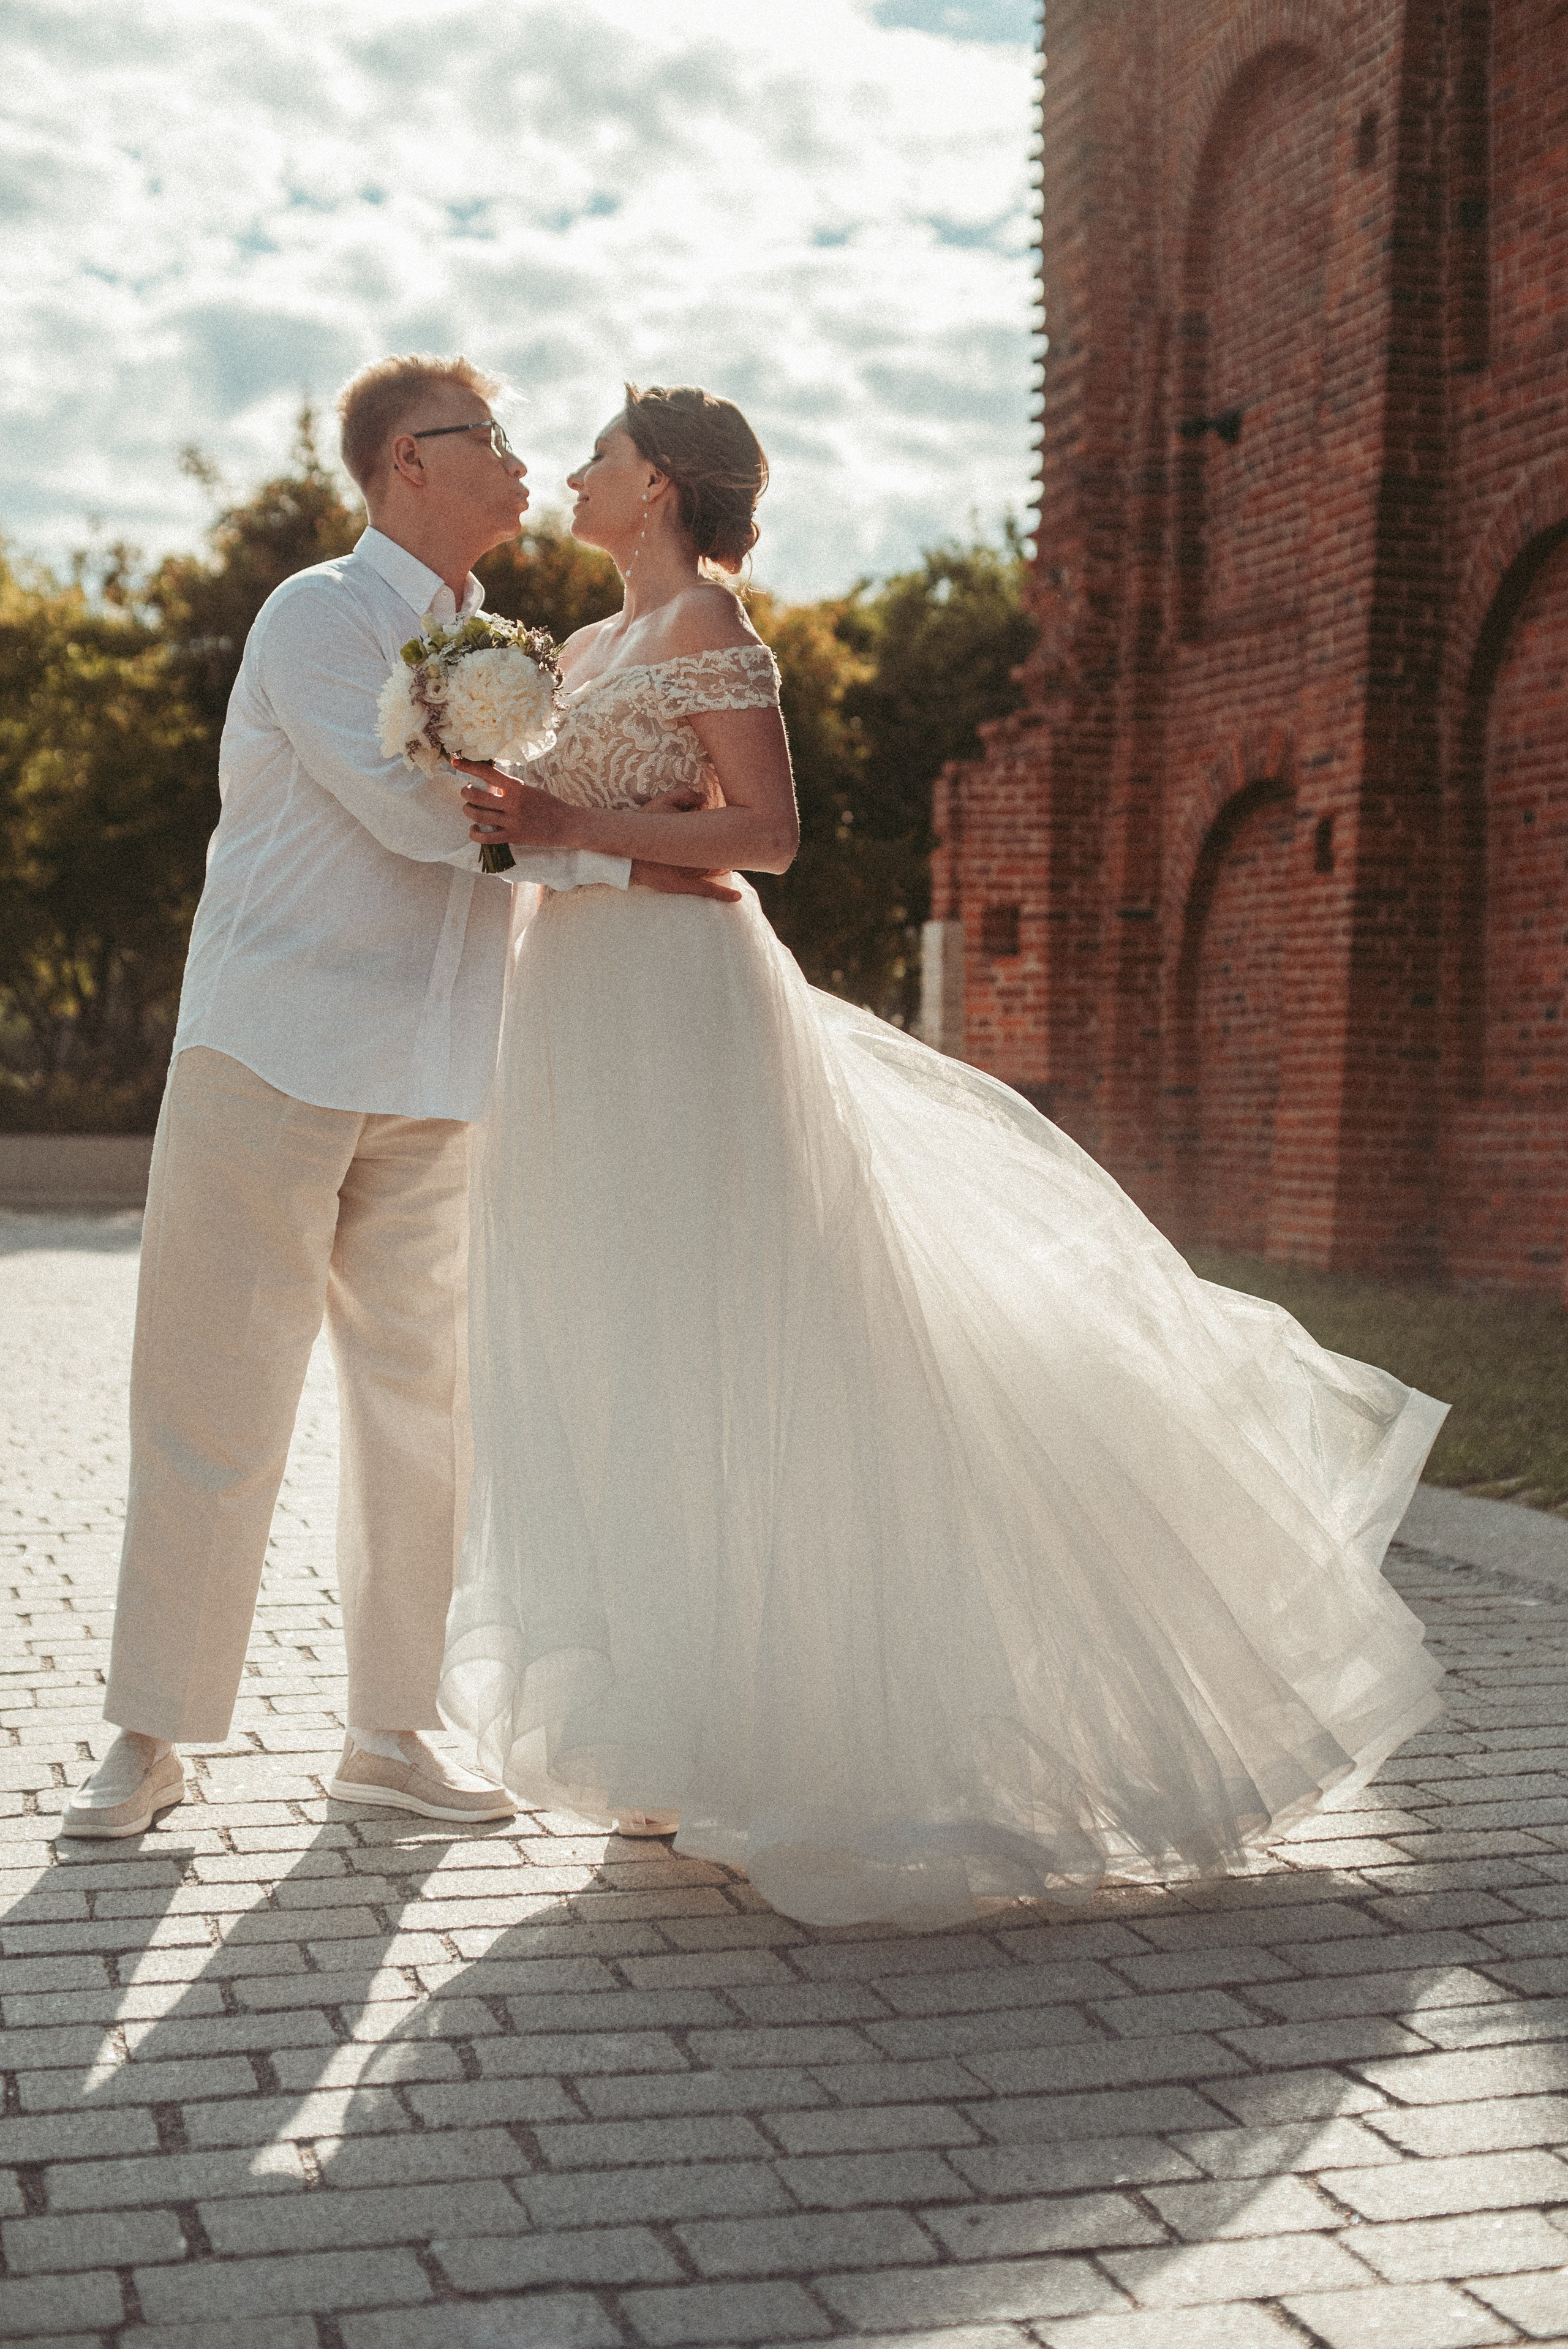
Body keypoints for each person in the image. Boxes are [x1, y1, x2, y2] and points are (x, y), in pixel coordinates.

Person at [442, 381, 1448, 1929]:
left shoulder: (716, 631)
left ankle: (806, 1732)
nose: (575, 472)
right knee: (617, 1349)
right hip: (570, 1007)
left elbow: (767, 836)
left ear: (661, 489)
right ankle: (674, 1716)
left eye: (600, 454)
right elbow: (582, 824)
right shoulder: (576, 653)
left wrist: (574, 810)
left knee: (742, 1339)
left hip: (679, 1007)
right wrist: (515, 816)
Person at [62, 356, 737, 1840]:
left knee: (426, 1415)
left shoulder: (516, 648)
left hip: (441, 1070)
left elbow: (538, 808)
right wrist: (631, 857)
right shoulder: (317, 615)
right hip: (275, 1052)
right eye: (482, 437)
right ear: (401, 467)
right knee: (212, 1404)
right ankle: (150, 1732)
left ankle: (389, 1732)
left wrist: (641, 834)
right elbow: (419, 814)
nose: (514, 460)